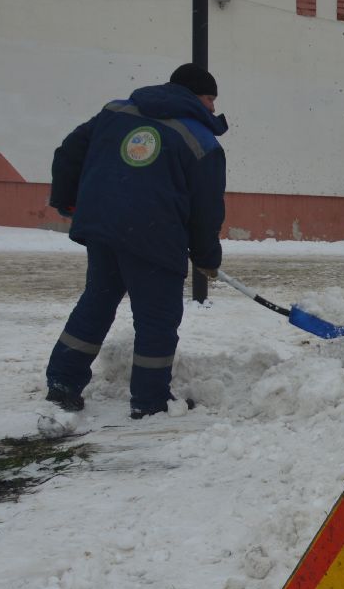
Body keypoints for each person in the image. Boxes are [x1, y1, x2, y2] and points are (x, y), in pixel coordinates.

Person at [44, 63, 228, 419]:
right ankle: (149, 401)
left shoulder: (116, 111)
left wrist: (69, 200)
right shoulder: (201, 141)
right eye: (210, 98)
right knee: (157, 319)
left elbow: (68, 152)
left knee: (96, 303)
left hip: (104, 228)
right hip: (154, 238)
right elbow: (207, 210)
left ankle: (63, 382)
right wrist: (207, 256)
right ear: (194, 96)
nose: (213, 108)